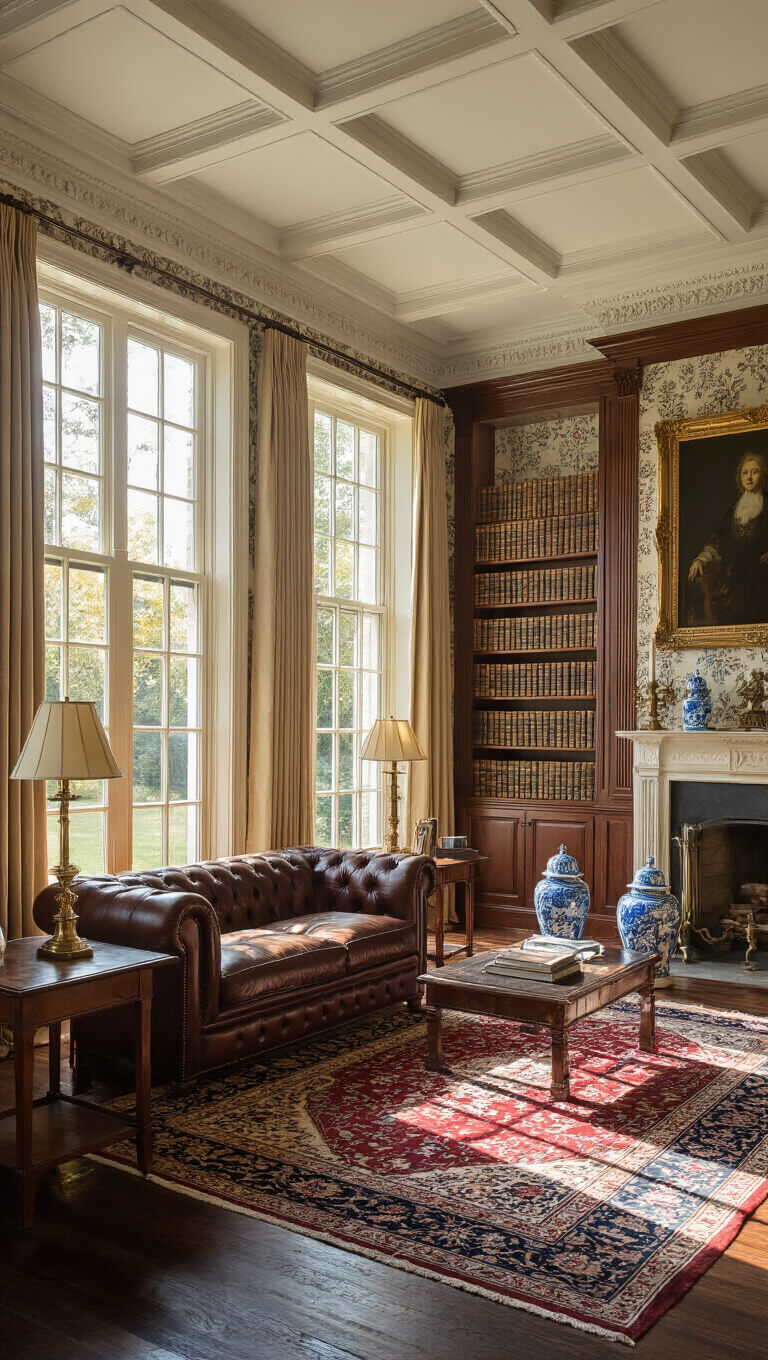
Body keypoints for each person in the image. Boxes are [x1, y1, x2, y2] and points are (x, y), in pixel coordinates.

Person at [687, 450, 768, 626]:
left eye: (754, 472)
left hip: (760, 576)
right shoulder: (734, 509)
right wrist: (701, 559)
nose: (749, 477)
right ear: (740, 477)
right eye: (745, 473)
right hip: (733, 575)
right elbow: (719, 538)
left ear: (762, 475)